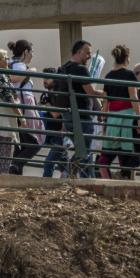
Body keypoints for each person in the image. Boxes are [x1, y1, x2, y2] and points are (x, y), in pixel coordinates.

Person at [43, 40, 100, 179]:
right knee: (85, 152)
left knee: (82, 153)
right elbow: (91, 93)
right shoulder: (80, 69)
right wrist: (107, 92)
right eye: (87, 53)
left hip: (68, 117)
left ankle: (74, 177)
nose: (89, 56)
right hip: (82, 117)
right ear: (79, 52)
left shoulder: (63, 68)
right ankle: (73, 176)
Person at [101, 45, 140, 179]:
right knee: (128, 152)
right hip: (127, 117)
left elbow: (106, 102)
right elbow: (134, 97)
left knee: (108, 152)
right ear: (127, 58)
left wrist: (104, 121)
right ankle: (126, 181)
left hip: (112, 118)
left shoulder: (108, 76)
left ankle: (108, 180)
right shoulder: (129, 74)